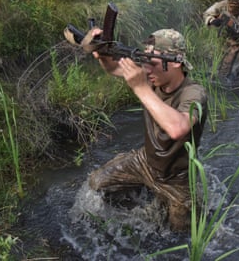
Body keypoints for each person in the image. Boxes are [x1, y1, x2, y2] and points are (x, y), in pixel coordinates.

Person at [87, 28, 208, 231]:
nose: (146, 69)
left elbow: (178, 128)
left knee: (182, 232)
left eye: (152, 62)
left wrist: (140, 88)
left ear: (176, 61)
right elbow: (113, 68)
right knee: (96, 183)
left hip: (177, 179)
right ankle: (141, 205)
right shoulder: (152, 78)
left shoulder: (194, 93)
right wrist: (100, 51)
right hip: (145, 161)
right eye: (144, 61)